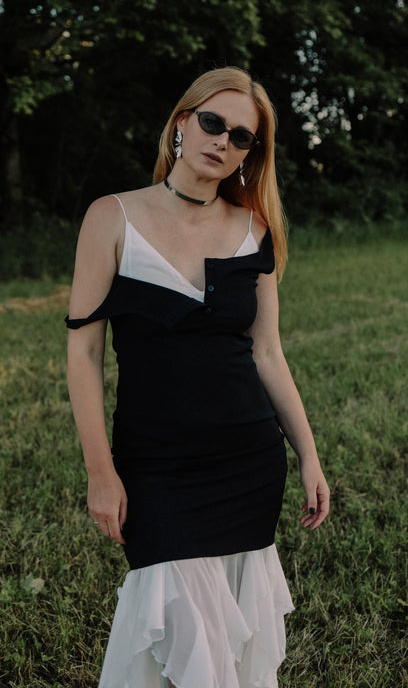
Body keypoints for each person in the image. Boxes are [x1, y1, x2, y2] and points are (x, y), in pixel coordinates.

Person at [66, 66, 330, 688]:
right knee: (183, 640)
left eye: (242, 137)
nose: (223, 141)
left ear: (250, 153)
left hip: (248, 462)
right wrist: (100, 472)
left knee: (225, 655)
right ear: (182, 122)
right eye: (213, 122)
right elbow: (84, 354)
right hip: (156, 465)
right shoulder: (112, 217)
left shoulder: (256, 229)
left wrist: (309, 456)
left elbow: (268, 354)